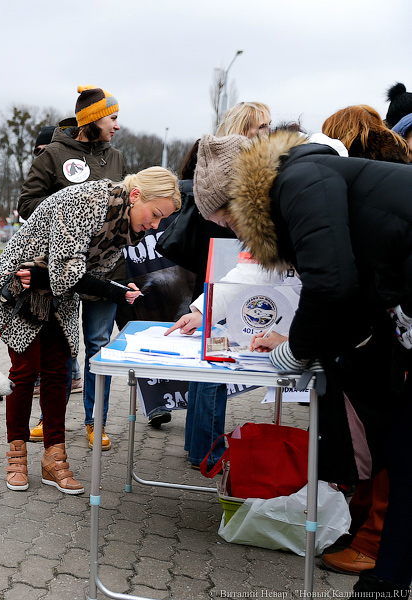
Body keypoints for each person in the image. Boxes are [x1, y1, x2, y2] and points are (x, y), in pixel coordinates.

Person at [194, 131, 412, 598]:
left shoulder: (299, 181)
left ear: (242, 197)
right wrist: (300, 339)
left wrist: (293, 351)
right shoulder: (306, 179)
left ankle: (389, 577)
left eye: (226, 220)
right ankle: (389, 578)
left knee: (402, 443)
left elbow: (332, 285)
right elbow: (347, 282)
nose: (231, 232)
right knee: (401, 444)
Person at [0, 167, 180, 495]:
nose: (155, 225)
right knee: (26, 371)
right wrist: (110, 289)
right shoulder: (86, 201)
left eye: (162, 220)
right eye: (156, 215)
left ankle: (53, 457)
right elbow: (64, 272)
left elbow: (86, 277)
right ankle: (16, 454)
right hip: (21, 288)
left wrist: (116, 289)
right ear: (135, 196)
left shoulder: (122, 228)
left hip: (58, 295)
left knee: (59, 371)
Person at [315, 105, 410, 576]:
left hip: (391, 329)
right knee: (381, 432)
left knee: (391, 437)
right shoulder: (381, 175)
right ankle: (365, 524)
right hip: (383, 326)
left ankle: (375, 540)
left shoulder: (367, 185)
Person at [18, 86, 125, 452]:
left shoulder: (118, 158)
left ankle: (96, 421)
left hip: (104, 271)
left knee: (97, 345)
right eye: (112, 118)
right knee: (62, 347)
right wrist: (69, 209)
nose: (117, 126)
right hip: (61, 269)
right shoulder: (53, 154)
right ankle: (52, 418)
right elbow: (27, 204)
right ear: (93, 120)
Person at [165, 102, 272, 468]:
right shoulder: (237, 169)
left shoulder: (208, 157)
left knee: (207, 357)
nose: (268, 133)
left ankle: (198, 444)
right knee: (215, 359)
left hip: (222, 267)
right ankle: (207, 447)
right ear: (244, 128)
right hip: (225, 263)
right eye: (262, 126)